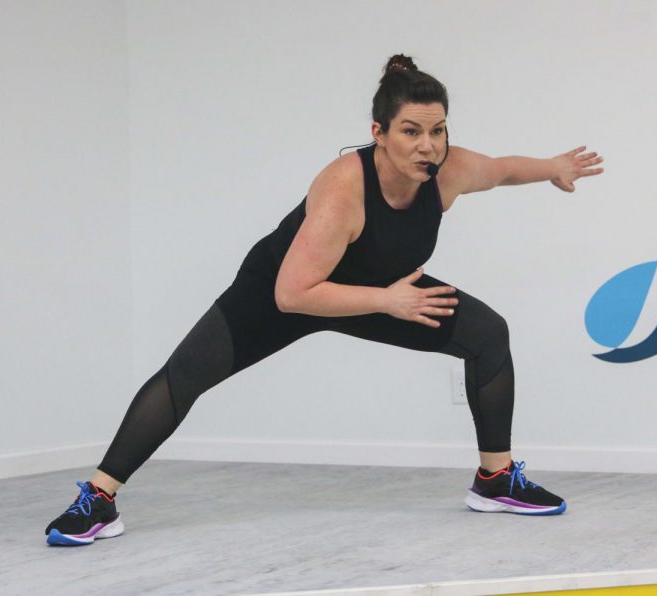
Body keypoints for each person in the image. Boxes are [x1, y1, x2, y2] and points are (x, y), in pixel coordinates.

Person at [44, 54, 604, 546]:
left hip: (382, 293)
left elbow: (503, 170)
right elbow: (294, 294)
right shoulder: (342, 186)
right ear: (379, 132)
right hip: (282, 289)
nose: (428, 145)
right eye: (411, 131)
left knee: (487, 334)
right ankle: (98, 497)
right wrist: (386, 301)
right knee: (184, 375)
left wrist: (552, 168)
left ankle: (496, 479)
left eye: (438, 131)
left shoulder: (447, 169)